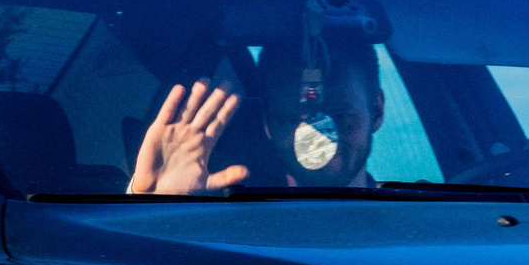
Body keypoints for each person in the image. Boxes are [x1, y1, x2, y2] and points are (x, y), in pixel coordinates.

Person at [130, 30, 388, 196]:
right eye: (292, 119)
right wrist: (151, 204)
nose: (318, 138)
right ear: (267, 124)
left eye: (341, 116)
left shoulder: (421, 220)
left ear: (376, 112)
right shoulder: (229, 224)